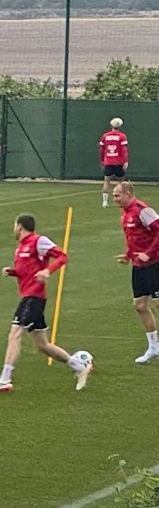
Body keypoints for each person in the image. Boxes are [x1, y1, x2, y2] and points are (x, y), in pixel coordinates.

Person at [0, 214, 90, 392]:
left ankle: (5, 379)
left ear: (19, 227)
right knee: (42, 345)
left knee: (15, 333)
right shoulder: (20, 248)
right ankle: (79, 366)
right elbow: (27, 271)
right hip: (30, 296)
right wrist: (13, 272)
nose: (13, 229)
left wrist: (48, 271)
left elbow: (62, 256)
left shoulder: (38, 241)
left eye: (14, 226)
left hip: (34, 297)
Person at [112, 182, 159, 363]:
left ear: (128, 193)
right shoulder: (125, 215)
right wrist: (128, 254)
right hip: (139, 264)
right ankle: (154, 347)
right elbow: (134, 238)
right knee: (140, 306)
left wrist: (149, 253)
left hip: (155, 262)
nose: (115, 199)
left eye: (117, 195)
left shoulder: (142, 210)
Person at [102, 118, 129, 208]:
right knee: (122, 182)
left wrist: (102, 160)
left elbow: (102, 149)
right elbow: (124, 150)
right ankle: (124, 200)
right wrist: (125, 161)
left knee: (106, 181)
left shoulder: (105, 136)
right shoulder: (122, 136)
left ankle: (104, 202)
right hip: (119, 161)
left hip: (108, 161)